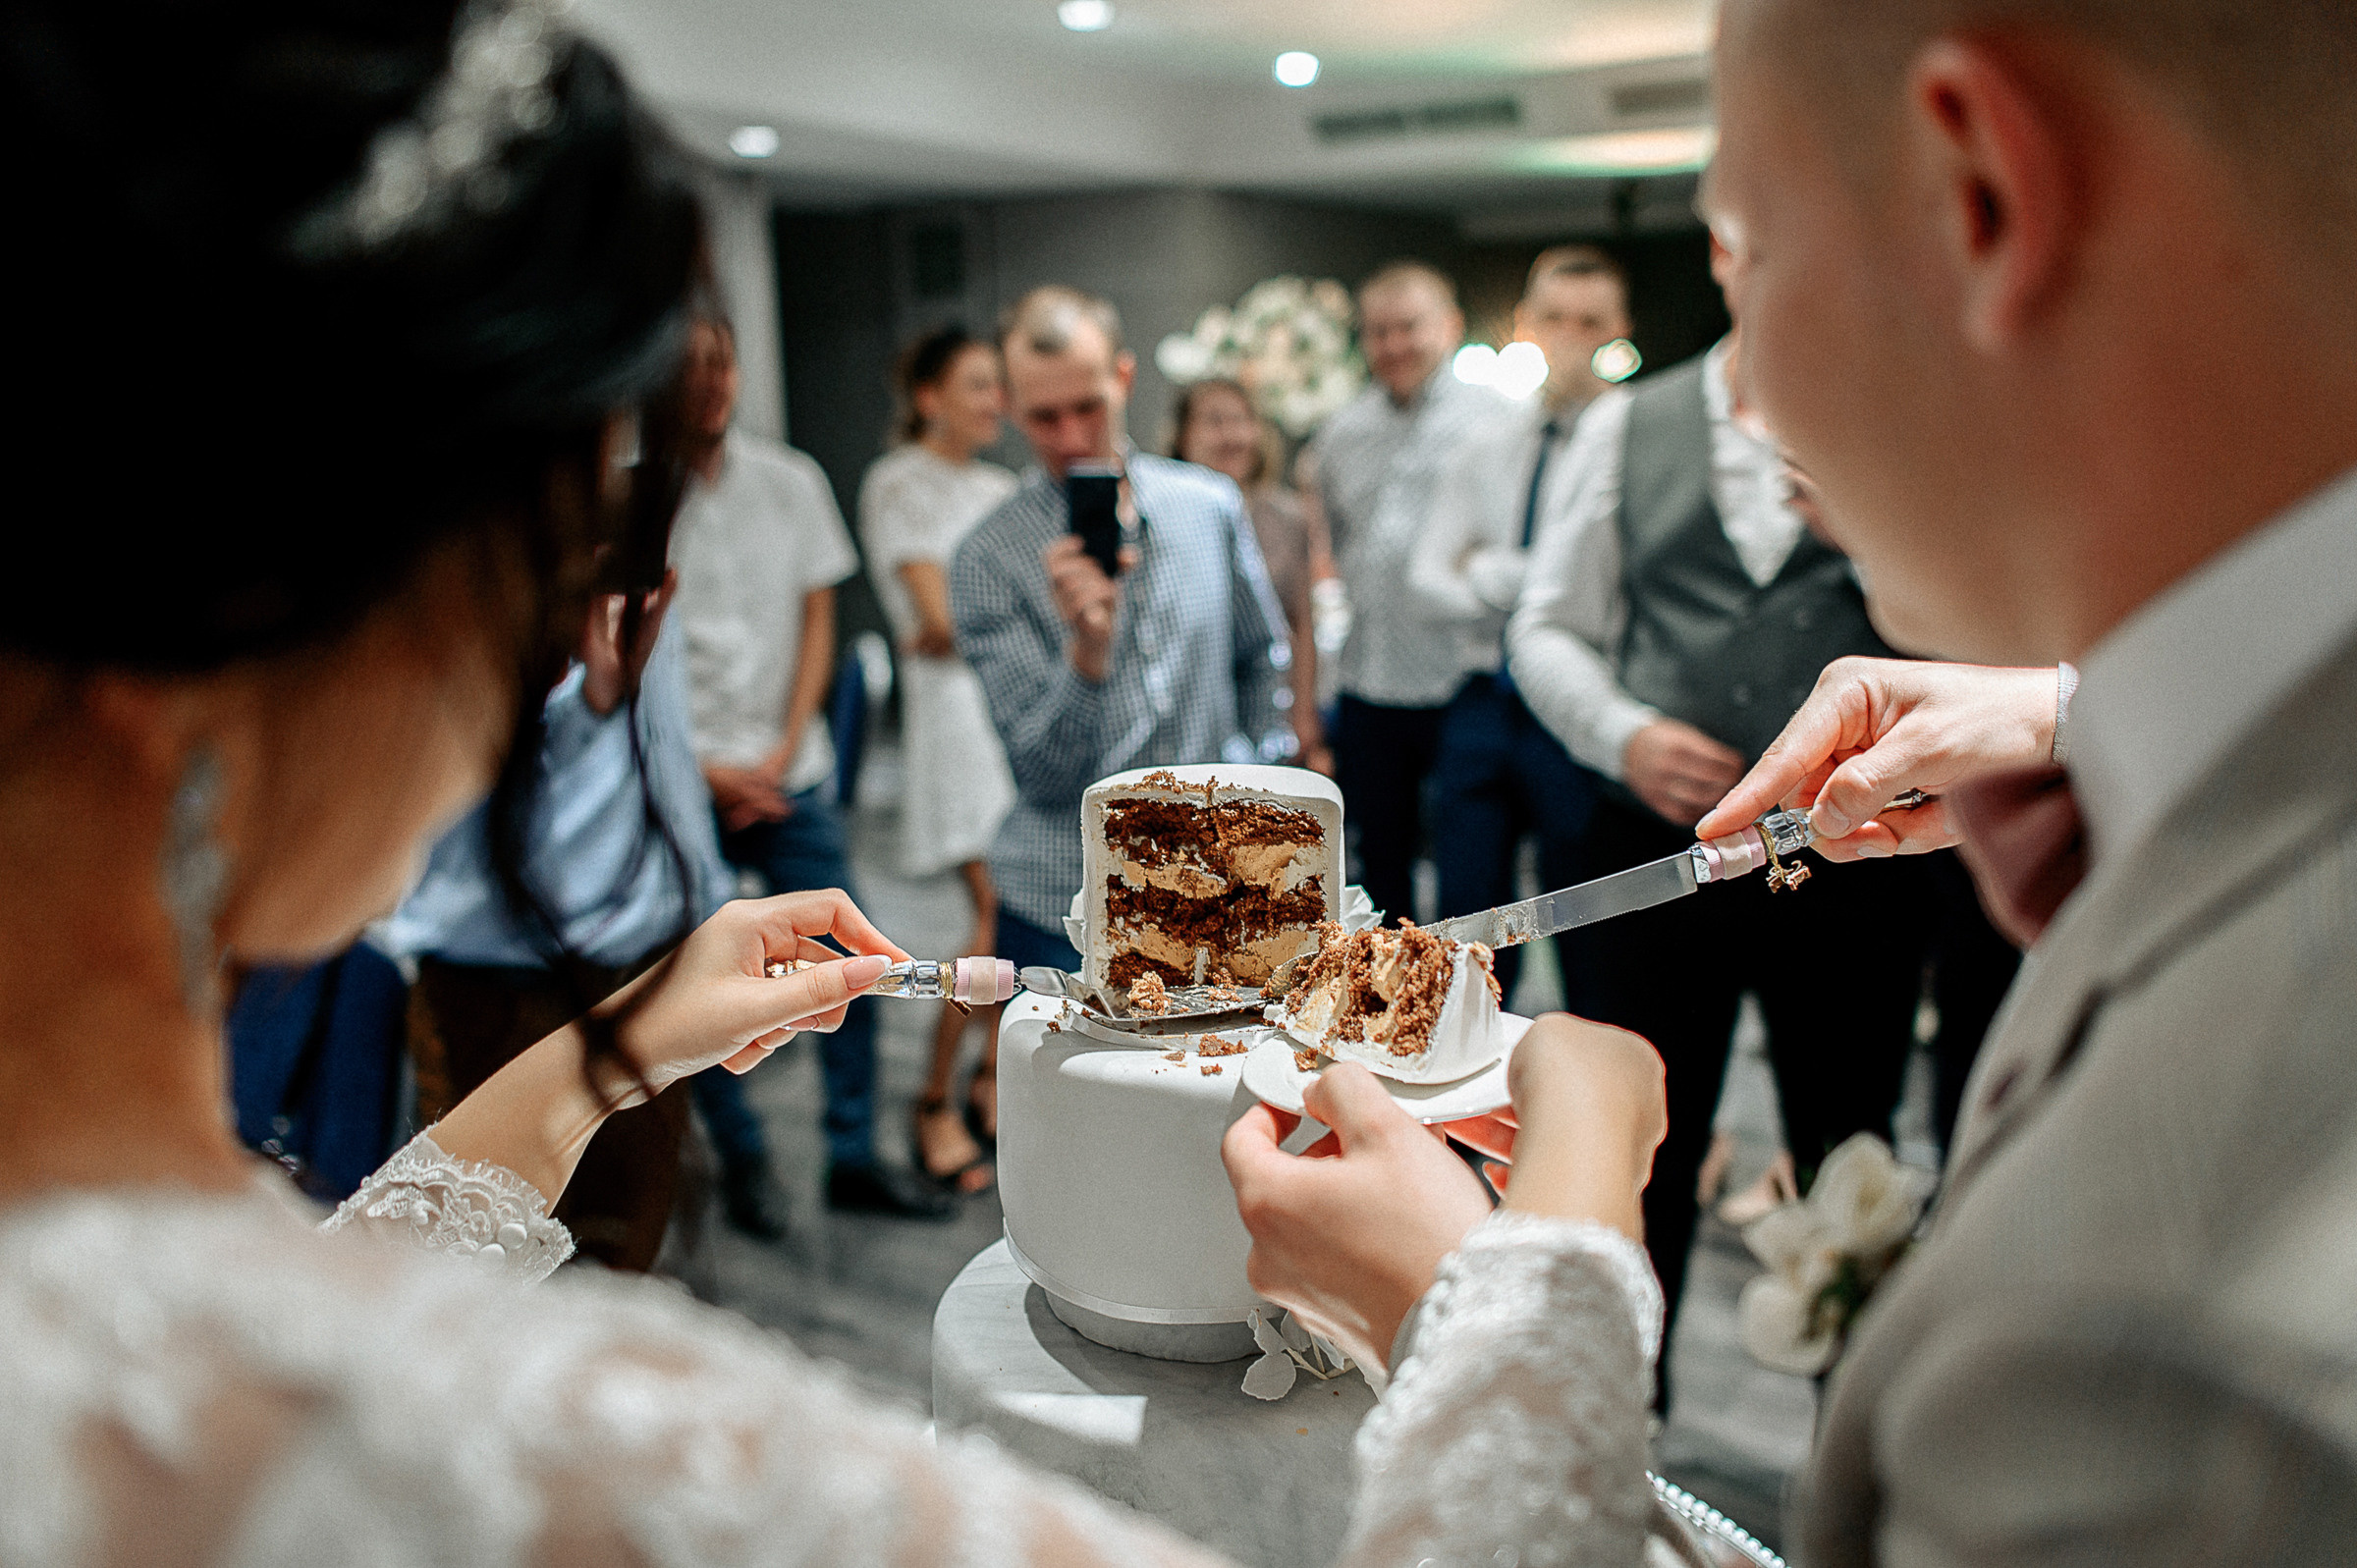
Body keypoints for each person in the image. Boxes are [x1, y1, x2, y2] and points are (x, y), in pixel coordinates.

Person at [2, 7, 1696, 1560]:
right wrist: (1571, 1212)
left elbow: (319, 1291)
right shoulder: (611, 1465)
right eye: (551, 560)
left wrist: (601, 1058)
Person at [1239, 0, 2357, 1554]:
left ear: (1983, 200)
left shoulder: (2168, 1359)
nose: (1745, 380)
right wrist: (2065, 712)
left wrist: (1490, 1316)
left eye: (1752, 255)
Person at [1506, 249, 1936, 1398]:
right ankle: (1615, 1429)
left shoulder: (1906, 420)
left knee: (1851, 1145)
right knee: (1636, 1146)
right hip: (1653, 860)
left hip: (1855, 862)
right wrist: (1623, 733)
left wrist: (1874, 536)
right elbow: (1545, 625)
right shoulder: (1624, 429)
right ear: (1726, 256)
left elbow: (1976, 629)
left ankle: (1858, 1440)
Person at [668, 314, 951, 1219]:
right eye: (689, 366)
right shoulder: (625, 499)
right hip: (684, 780)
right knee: (694, 975)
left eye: (722, 362)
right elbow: (625, 658)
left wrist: (785, 749)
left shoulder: (791, 483)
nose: (710, 381)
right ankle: (743, 1155)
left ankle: (851, 1152)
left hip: (790, 770)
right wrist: (704, 767)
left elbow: (818, 622)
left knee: (850, 957)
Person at [386, 568, 752, 1267]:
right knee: (482, 1239)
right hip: (502, 965)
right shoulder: (484, 559)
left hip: (650, 942)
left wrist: (704, 895)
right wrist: (592, 700)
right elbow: (454, 751)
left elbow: (657, 737)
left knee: (625, 1225)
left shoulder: (637, 540)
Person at [950, 286, 1291, 983]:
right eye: (1045, 417)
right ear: (1010, 407)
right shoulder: (987, 558)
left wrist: (1257, 781)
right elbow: (1040, 775)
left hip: (1220, 879)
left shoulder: (1210, 505)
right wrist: (1087, 655)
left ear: (1124, 379)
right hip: (1067, 897)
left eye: (1088, 407)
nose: (1072, 436)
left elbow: (1261, 658)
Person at [1405, 244, 1635, 1004]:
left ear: (1618, 327)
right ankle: (1458, 1085)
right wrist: (1498, 581)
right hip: (1483, 697)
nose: (1570, 334)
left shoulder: (1635, 441)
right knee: (1466, 915)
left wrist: (1502, 569)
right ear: (1525, 323)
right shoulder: (1486, 443)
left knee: (1587, 914)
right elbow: (1426, 576)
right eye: (1554, 317)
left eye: (1590, 320)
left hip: (1579, 697)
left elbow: (1620, 588)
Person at [858, 325, 1018, 1193]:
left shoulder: (1003, 485)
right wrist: (1000, 622)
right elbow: (941, 618)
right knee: (994, 916)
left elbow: (968, 623)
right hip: (955, 727)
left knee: (1018, 913)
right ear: (929, 397)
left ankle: (989, 1081)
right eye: (978, 385)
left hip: (1009, 718)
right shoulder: (900, 483)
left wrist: (977, 624)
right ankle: (931, 1098)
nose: (997, 402)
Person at [1305, 261, 1510, 926]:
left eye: (1409, 327)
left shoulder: (1500, 421)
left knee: (1470, 868)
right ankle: (1389, 1011)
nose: (1394, 345)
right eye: (1378, 331)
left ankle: (1471, 1008)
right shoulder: (1341, 431)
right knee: (1378, 866)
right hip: (1370, 678)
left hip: (1463, 678)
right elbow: (1330, 539)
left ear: (1449, 326)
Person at [1170, 376, 1335, 774]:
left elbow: (1301, 623)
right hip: (1190, 707)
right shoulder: (1165, 516)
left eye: (1241, 420)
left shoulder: (1288, 516)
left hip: (1267, 706)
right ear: (1183, 435)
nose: (1231, 435)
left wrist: (1303, 711)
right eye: (1214, 422)